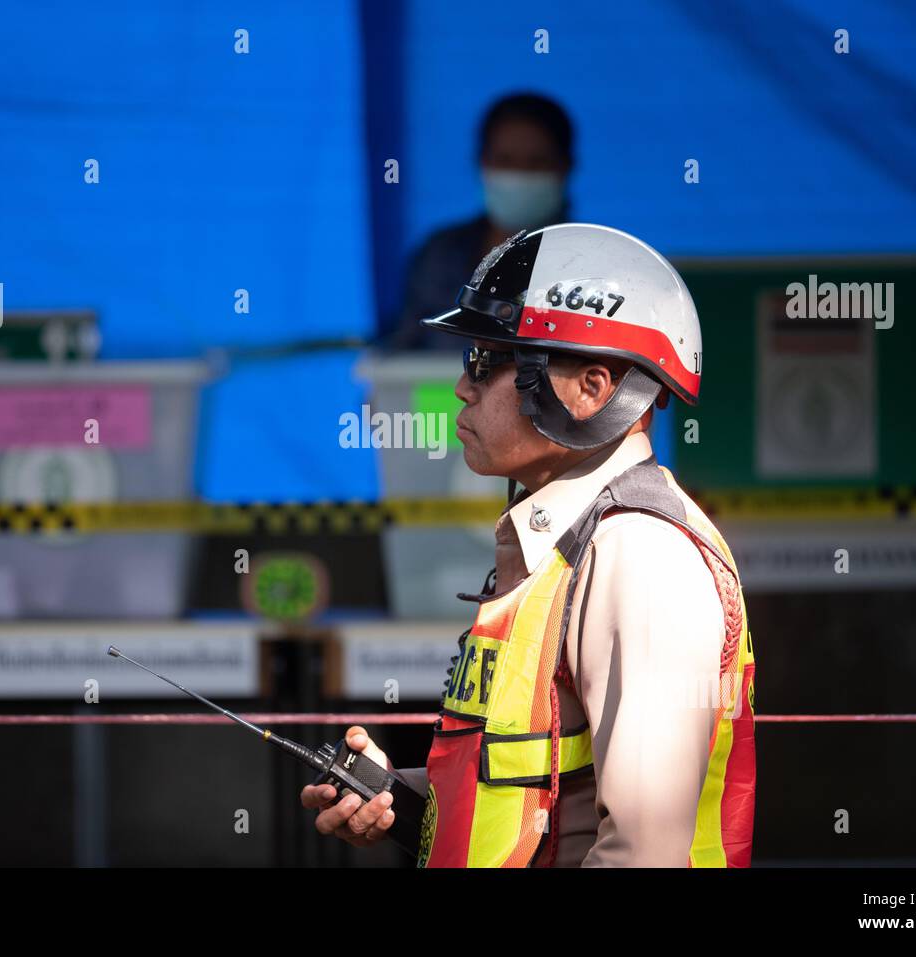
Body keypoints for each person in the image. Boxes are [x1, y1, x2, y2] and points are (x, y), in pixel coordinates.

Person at [302, 223, 757, 867]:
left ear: (591, 390)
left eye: (486, 361)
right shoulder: (565, 543)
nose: (463, 386)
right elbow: (536, 799)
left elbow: (643, 853)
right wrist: (399, 805)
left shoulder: (640, 558)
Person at [387, 92, 575, 351]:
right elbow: (398, 364)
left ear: (566, 166)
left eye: (536, 162)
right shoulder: (439, 256)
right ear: (481, 162)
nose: (519, 175)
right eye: (505, 160)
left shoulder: (590, 264)